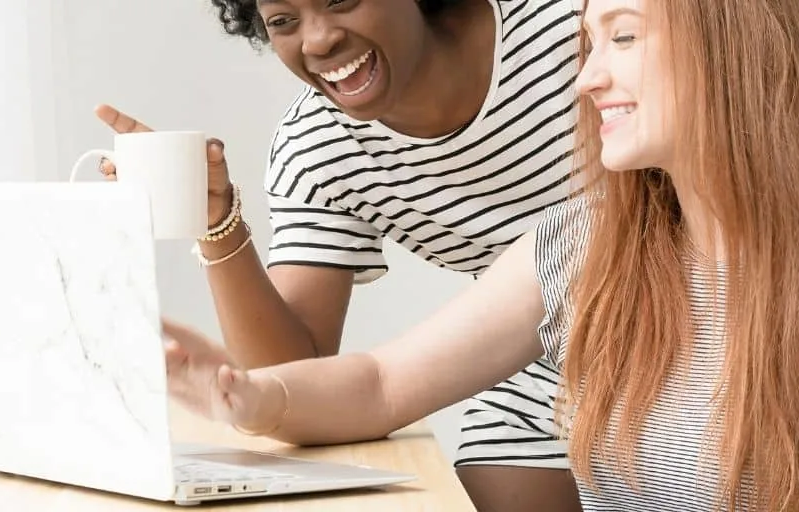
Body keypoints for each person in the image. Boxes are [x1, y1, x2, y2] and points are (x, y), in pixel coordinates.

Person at [160, 0, 799, 509]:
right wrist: (245, 397)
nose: (584, 76)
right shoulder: (579, 247)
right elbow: (381, 384)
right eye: (590, 43)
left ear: (733, 47)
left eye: (622, 37)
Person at [96, 1, 583, 509]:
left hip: (669, 334)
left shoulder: (584, 31)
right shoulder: (318, 148)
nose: (318, 41)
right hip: (544, 360)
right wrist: (217, 223)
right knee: (494, 472)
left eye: (342, 0)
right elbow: (295, 382)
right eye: (283, 21)